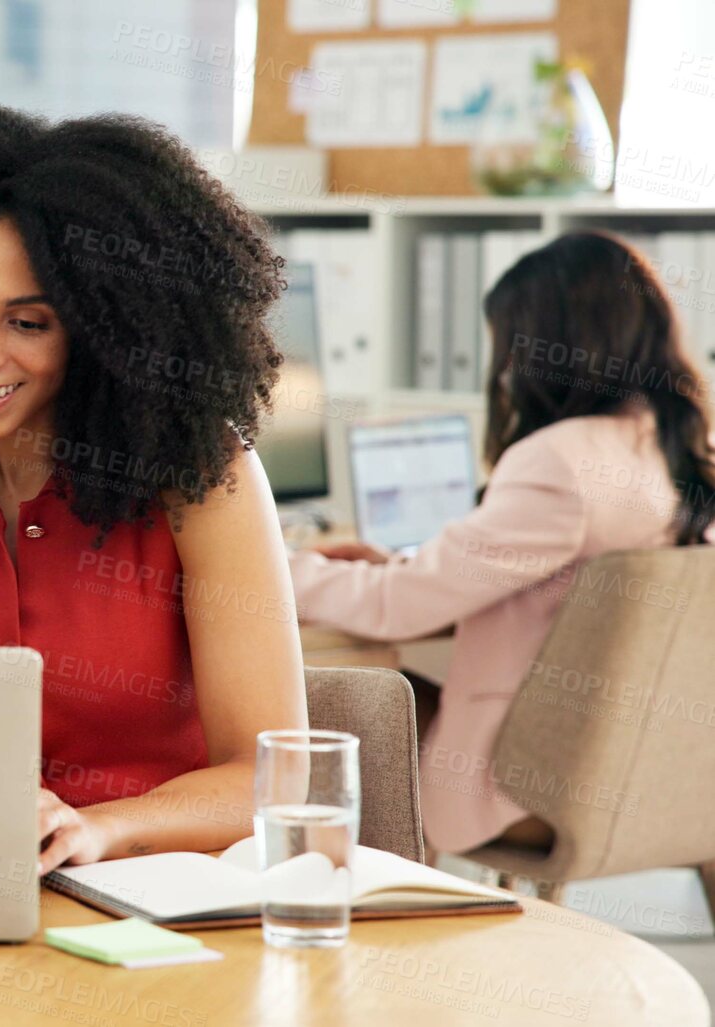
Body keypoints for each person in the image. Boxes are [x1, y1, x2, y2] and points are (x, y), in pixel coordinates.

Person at [0, 107, 309, 874]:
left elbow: (271, 778)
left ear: (107, 328)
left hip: (165, 895)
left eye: (28, 323)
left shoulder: (204, 479)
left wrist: (97, 829)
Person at [292, 231, 715, 856]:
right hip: (667, 786)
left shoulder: (560, 462)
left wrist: (274, 569)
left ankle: (363, 919)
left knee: (340, 696)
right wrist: (408, 567)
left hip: (534, 792)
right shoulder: (681, 451)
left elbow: (397, 608)